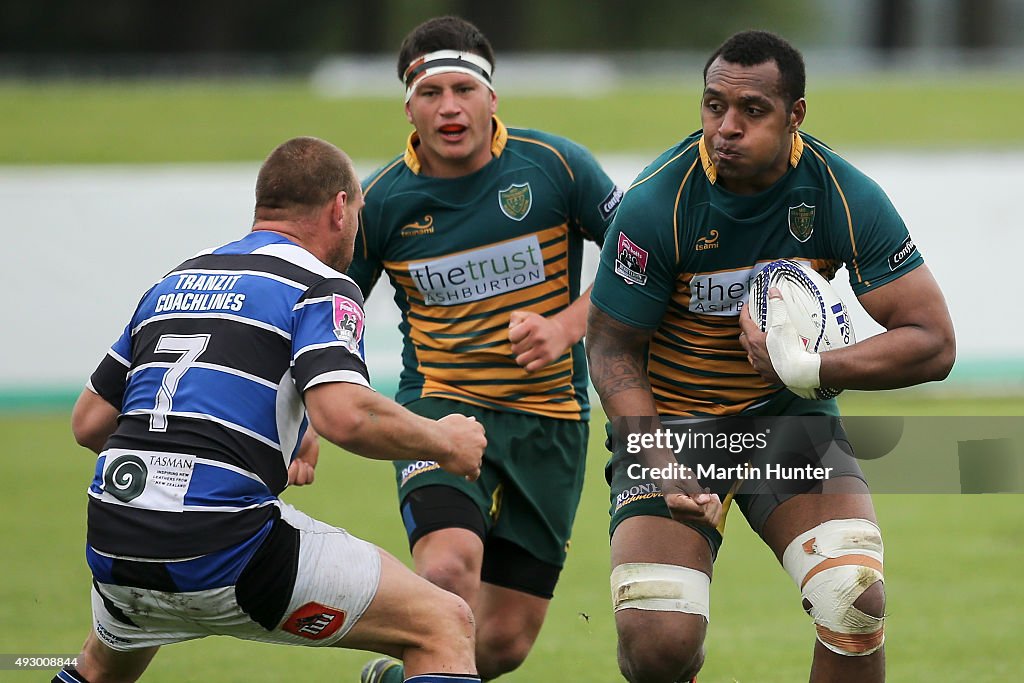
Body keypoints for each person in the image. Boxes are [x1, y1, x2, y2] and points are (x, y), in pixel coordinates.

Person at [586, 30, 955, 683]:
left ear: (795, 116)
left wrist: (812, 370)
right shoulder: (657, 203)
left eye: (751, 110)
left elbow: (933, 339)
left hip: (785, 423)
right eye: (712, 105)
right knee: (658, 641)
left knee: (854, 598)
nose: (725, 127)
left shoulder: (841, 193)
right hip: (673, 426)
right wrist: (659, 459)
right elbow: (612, 344)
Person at [55, 136, 488, 683]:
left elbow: (89, 422)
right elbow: (346, 414)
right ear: (339, 208)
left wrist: (243, 441)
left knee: (100, 666)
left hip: (118, 539)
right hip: (227, 549)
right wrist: (447, 442)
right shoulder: (321, 284)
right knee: (443, 624)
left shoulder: (173, 281)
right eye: (357, 211)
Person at [348, 16, 623, 683]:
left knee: (500, 644)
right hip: (440, 410)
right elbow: (330, 316)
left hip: (550, 424)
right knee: (445, 570)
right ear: (408, 105)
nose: (449, 106)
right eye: (431, 91)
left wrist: (565, 325)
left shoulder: (556, 167)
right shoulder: (380, 203)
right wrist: (304, 417)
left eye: (463, 89)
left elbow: (645, 263)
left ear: (491, 98)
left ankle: (393, 677)